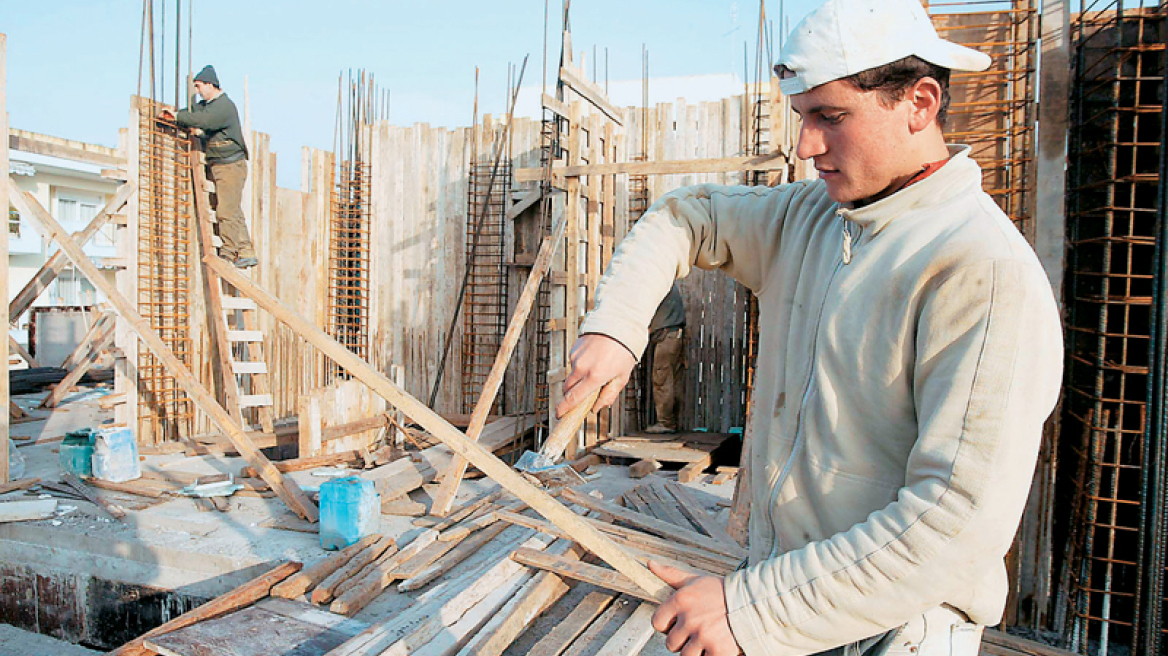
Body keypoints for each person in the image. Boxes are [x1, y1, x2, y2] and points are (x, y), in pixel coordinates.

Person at [554, 0, 1064, 655]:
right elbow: (686, 215)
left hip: (889, 631)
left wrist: (751, 611)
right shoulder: (817, 218)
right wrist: (616, 329)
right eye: (803, 116)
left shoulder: (980, 273)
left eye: (831, 116)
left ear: (920, 101)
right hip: (781, 593)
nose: (806, 146)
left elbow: (953, 523)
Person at [162, 65, 257, 268]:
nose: (197, 91)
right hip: (221, 164)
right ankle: (246, 250)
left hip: (231, 166)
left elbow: (203, 120)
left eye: (199, 86)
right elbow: (197, 115)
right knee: (232, 210)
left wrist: (178, 116)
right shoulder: (210, 105)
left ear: (210, 84)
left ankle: (229, 253)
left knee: (225, 211)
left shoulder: (223, 106)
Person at [644, 283, 686, 434]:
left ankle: (666, 423)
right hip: (674, 334)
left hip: (667, 336)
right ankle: (671, 422)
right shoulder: (668, 282)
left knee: (662, 379)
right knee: (673, 379)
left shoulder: (659, 282)